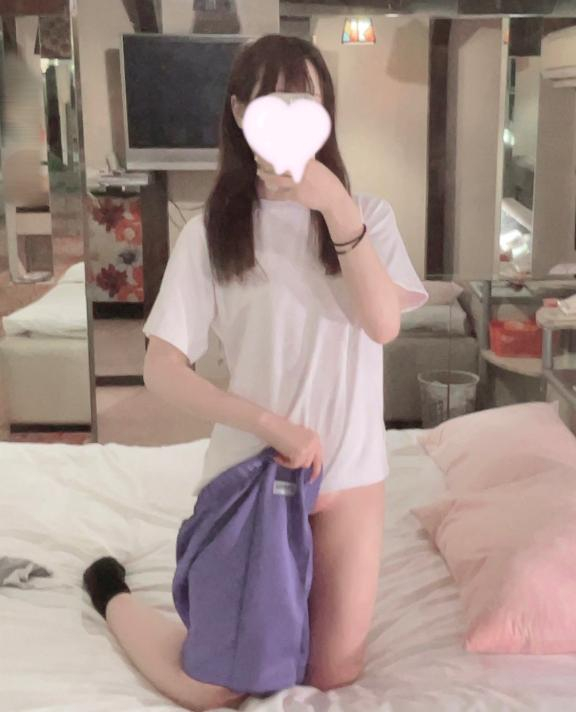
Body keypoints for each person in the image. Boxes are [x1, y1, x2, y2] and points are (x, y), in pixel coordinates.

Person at [83, 33, 428, 712]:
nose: (290, 114)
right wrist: (269, 424)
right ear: (240, 112)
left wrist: (335, 205)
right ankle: (111, 593)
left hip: (351, 478)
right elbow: (161, 369)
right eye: (272, 100)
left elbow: (383, 325)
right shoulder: (212, 231)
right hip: (256, 474)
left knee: (332, 674)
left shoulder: (368, 216)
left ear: (326, 112)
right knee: (217, 687)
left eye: (306, 99)